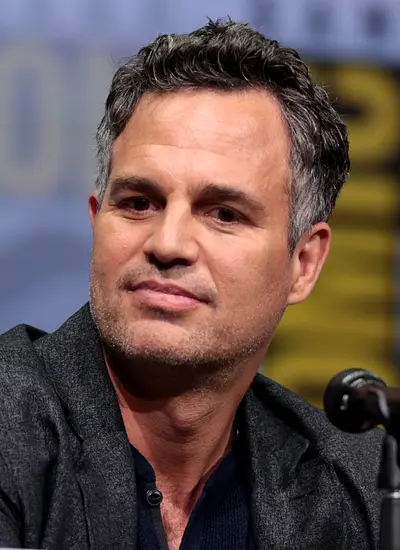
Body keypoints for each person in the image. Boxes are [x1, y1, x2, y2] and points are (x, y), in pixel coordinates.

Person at [0, 18, 383, 550]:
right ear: (96, 220)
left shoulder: (362, 489)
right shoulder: (10, 422)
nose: (168, 243)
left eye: (223, 213)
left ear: (304, 262)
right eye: (139, 203)